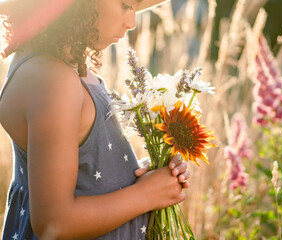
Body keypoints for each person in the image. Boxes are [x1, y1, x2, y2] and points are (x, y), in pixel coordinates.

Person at [0, 0, 191, 239]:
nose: (132, 22)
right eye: (125, 5)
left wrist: (134, 177)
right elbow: (53, 223)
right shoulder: (53, 80)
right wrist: (145, 196)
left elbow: (82, 171)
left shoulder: (61, 64)